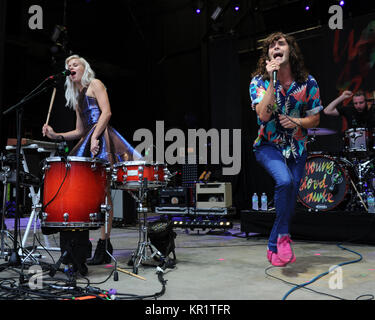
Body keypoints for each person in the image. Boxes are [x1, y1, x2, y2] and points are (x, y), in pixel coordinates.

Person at [42, 55, 142, 267]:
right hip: (89, 138)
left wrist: (96, 136)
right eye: (68, 66)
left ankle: (104, 244)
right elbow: (79, 131)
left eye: (75, 64)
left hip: (102, 134)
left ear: (84, 67)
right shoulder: (78, 98)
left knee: (104, 192)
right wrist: (55, 135)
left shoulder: (95, 84)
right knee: (87, 190)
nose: (71, 67)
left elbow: (106, 113)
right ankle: (82, 243)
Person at [249, 32, 323, 267]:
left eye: (281, 44)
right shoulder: (259, 82)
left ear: (290, 51)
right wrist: (272, 81)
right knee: (285, 182)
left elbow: (316, 120)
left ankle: (274, 243)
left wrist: (297, 121)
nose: (276, 47)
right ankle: (282, 237)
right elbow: (263, 114)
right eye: (271, 46)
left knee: (291, 196)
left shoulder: (308, 83)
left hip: (296, 148)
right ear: (268, 56)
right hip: (268, 146)